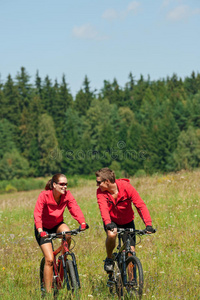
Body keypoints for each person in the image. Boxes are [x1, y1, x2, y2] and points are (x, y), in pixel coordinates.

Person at [34, 173, 88, 293]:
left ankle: (62, 260)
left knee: (67, 234)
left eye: (66, 184)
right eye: (62, 184)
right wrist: (40, 230)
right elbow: (37, 214)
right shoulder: (44, 195)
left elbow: (74, 208)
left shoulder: (67, 195)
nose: (65, 187)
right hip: (43, 229)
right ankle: (47, 293)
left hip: (57, 224)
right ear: (54, 185)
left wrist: (82, 222)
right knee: (49, 259)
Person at [95, 167, 155, 273]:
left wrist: (148, 224)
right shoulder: (100, 192)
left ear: (107, 181)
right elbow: (103, 209)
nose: (97, 185)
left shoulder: (126, 187)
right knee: (112, 234)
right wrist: (108, 223)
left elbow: (140, 205)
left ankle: (131, 283)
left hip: (127, 221)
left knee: (131, 252)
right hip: (112, 221)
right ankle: (109, 259)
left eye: (99, 182)